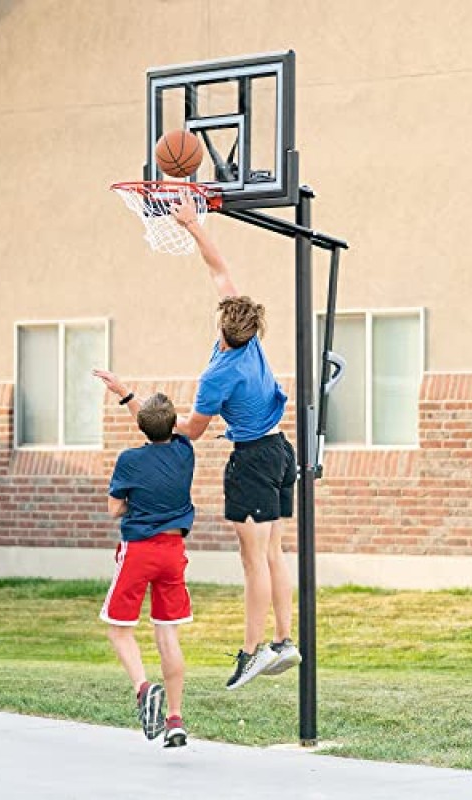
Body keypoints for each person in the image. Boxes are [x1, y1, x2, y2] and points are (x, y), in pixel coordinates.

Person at [157, 191, 301, 690]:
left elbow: (193, 431)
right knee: (275, 552)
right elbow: (219, 270)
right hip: (282, 452)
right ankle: (285, 640)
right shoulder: (252, 339)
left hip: (254, 461)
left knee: (253, 560)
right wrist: (194, 225)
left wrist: (158, 417)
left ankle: (252, 651)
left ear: (222, 324)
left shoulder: (217, 375)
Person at [90, 385, 194, 747]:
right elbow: (162, 425)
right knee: (167, 634)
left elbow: (114, 509)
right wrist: (127, 394)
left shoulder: (129, 460)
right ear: (173, 426)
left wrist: (135, 503)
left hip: (139, 551)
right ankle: (176, 719)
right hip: (173, 551)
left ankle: (143, 688)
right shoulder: (185, 453)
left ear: (142, 429)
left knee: (119, 629)